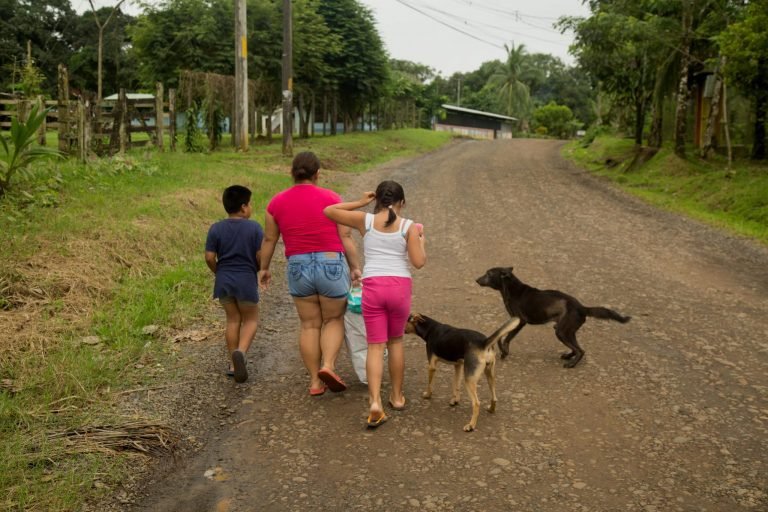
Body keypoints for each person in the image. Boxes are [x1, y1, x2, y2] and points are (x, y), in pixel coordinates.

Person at [324, 180, 426, 428]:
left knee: (375, 346)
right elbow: (419, 262)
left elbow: (329, 211)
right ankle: (397, 397)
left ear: (377, 200)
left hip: (373, 287)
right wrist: (421, 239)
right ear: (402, 203)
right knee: (396, 341)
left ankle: (375, 402)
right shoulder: (409, 227)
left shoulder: (365, 221)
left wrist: (361, 202)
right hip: (399, 288)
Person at [259, 151, 362, 396]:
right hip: (331, 263)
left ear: (292, 173)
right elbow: (345, 236)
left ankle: (316, 381)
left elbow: (269, 238)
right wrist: (355, 267)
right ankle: (328, 365)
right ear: (317, 174)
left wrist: (264, 268)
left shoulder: (276, 203)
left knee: (309, 325)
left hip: (297, 265)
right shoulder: (332, 198)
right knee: (333, 319)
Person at [205, 185, 264, 384]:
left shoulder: (216, 228)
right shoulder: (254, 227)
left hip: (224, 280)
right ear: (243, 207)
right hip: (245, 279)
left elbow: (209, 256)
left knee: (232, 320)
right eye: (250, 204)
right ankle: (241, 352)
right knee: (251, 319)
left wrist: (217, 271)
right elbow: (259, 255)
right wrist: (258, 268)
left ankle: (232, 363)